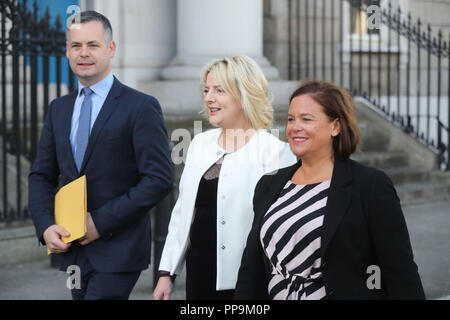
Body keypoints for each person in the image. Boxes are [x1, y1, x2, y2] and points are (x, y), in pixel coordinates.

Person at [234, 80, 425, 300]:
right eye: (290, 119)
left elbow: (399, 269)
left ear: (335, 126)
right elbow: (251, 267)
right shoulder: (269, 184)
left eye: (306, 119)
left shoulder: (370, 185)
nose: (295, 127)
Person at [28, 11, 173, 300]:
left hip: (119, 249)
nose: (84, 53)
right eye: (76, 46)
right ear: (67, 51)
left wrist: (100, 223)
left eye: (93, 45)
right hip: (72, 251)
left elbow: (158, 179)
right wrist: (45, 227)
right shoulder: (59, 108)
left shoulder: (140, 107)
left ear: (111, 49)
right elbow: (41, 175)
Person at [153, 56, 297, 300]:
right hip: (199, 275)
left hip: (251, 281)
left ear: (244, 94)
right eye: (207, 90)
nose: (209, 98)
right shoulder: (199, 143)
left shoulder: (276, 151)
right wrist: (166, 273)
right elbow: (182, 211)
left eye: (219, 90)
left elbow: (283, 226)